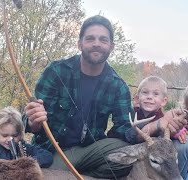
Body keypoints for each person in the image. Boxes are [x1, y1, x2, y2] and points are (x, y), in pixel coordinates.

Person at [23, 15, 133, 179]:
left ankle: (71, 176)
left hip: (89, 151)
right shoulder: (56, 71)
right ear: (80, 43)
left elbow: (125, 128)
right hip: (52, 151)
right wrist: (33, 121)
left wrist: (155, 126)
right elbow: (29, 122)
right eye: (90, 38)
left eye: (103, 40)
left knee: (127, 155)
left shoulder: (118, 85)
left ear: (111, 46)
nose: (96, 43)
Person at [126, 75, 188, 180]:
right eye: (145, 92)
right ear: (137, 98)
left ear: (164, 101)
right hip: (138, 158)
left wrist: (177, 131)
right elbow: (125, 134)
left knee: (182, 144)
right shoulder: (131, 115)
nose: (149, 97)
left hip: (158, 163)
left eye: (155, 94)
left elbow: (168, 137)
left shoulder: (165, 118)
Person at [0, 106, 53, 176]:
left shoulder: (23, 147)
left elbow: (47, 156)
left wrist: (27, 162)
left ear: (20, 134)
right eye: (5, 135)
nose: (10, 140)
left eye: (14, 135)